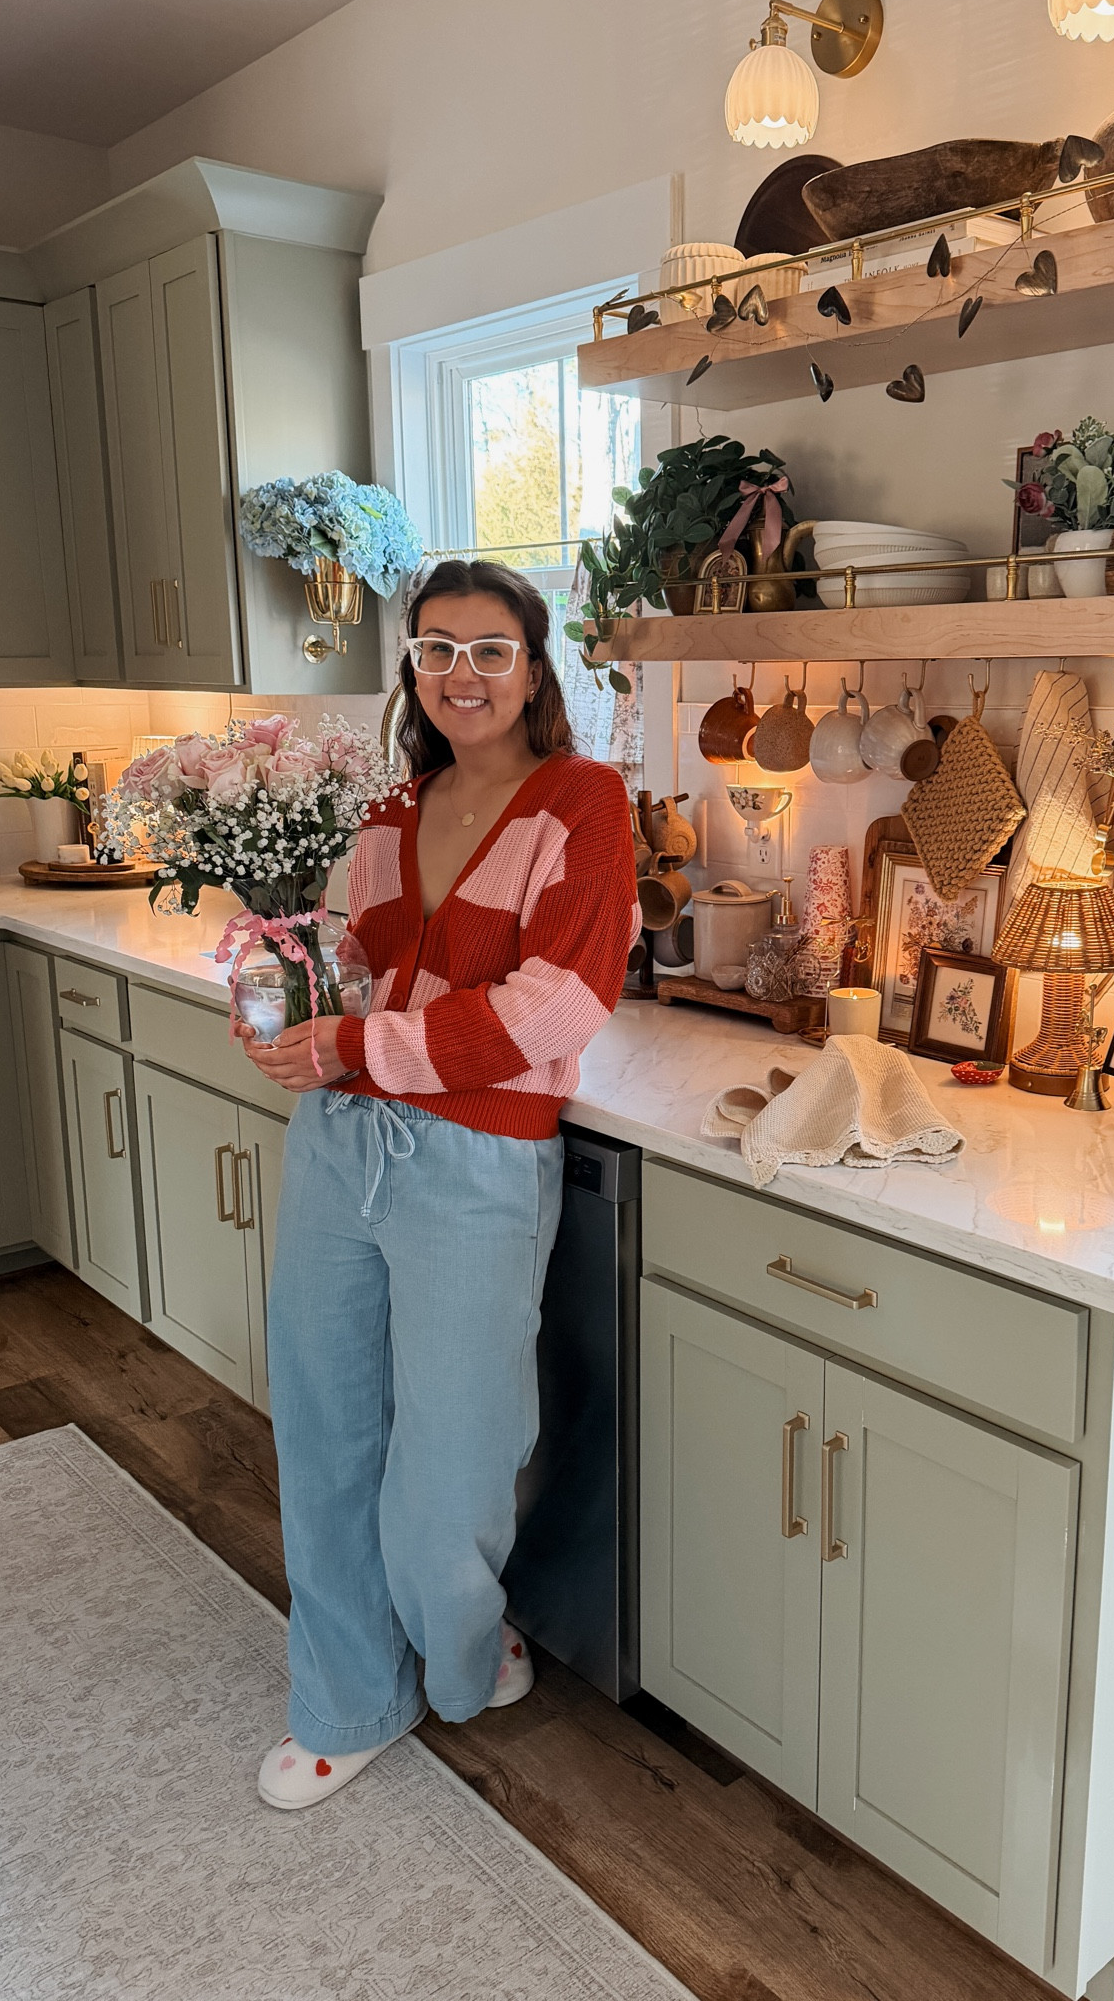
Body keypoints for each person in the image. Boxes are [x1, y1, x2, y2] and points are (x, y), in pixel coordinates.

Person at [239, 560, 637, 1811]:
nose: (463, 674)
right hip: (339, 1142)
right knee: (323, 1433)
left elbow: (557, 1006)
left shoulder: (582, 801)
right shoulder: (386, 813)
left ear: (533, 666)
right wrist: (280, 998)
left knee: (453, 1464)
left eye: (491, 649)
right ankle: (347, 1698)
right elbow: (354, 964)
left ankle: (464, 1653)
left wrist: (355, 1040)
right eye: (437, 649)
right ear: (411, 666)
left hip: (473, 1162)